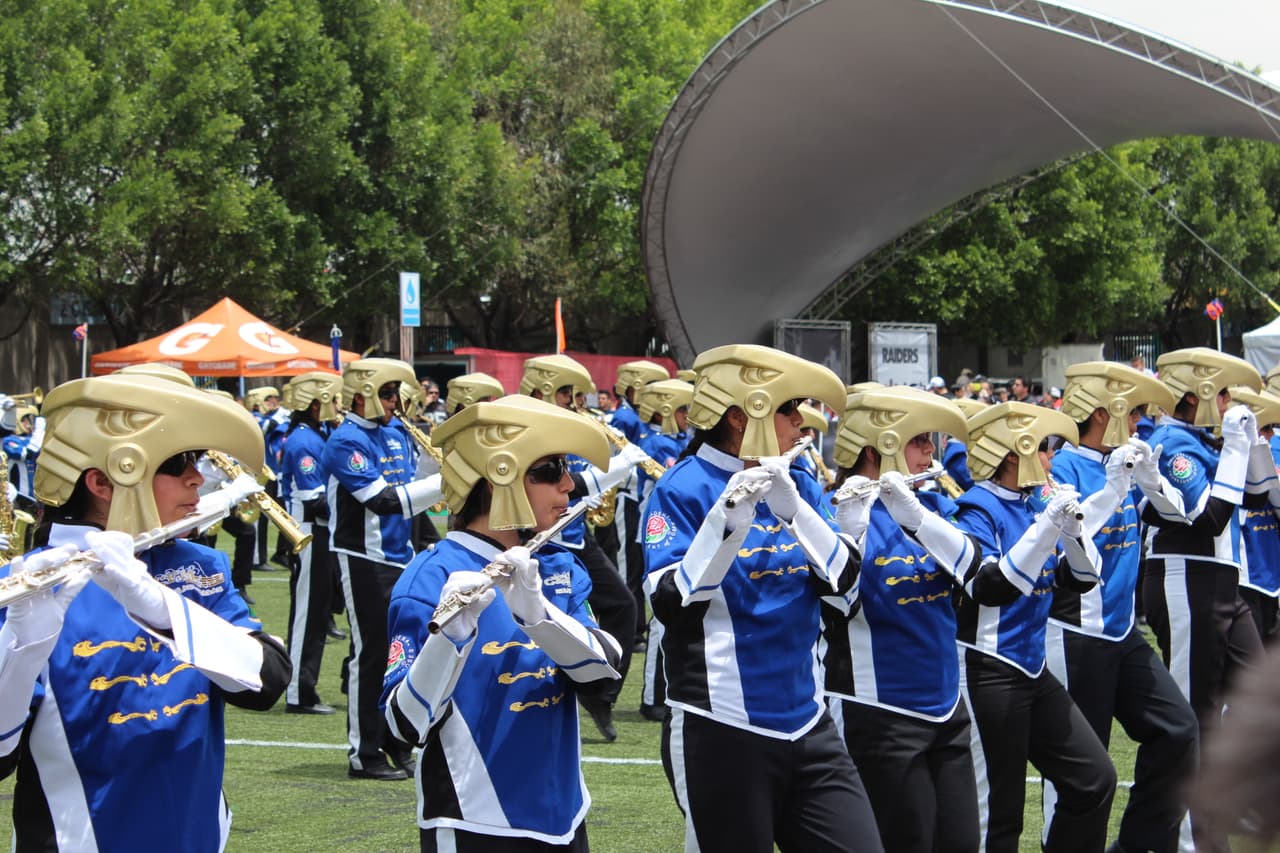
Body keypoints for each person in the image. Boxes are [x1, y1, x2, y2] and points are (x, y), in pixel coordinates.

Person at [0, 373, 289, 851]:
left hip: (196, 835)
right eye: (177, 463)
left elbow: (267, 682)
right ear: (103, 481)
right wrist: (22, 647)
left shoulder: (198, 564)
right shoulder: (28, 585)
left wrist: (161, 607)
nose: (198, 477)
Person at [641, 344, 882, 852]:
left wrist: (794, 508)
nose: (802, 423)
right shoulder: (681, 488)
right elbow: (673, 606)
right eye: (787, 409)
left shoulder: (799, 483)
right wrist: (726, 525)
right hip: (720, 722)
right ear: (739, 415)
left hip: (807, 719)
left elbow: (846, 592)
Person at [382, 396, 622, 850]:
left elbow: (603, 675)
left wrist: (539, 617)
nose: (569, 485)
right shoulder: (427, 579)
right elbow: (401, 728)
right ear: (500, 479)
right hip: (474, 823)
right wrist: (447, 638)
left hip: (566, 813)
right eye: (550, 471)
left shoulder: (557, 567)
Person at [820, 385, 982, 853]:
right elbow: (836, 602)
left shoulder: (933, 506)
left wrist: (915, 518)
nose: (930, 451)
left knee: (961, 842)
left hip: (948, 704)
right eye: (919, 440)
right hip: (880, 709)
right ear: (879, 447)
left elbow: (977, 573)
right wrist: (855, 529)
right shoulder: (839, 515)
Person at [1047, 361, 1199, 853]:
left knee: (1178, 732)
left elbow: (1184, 514)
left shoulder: (1128, 460)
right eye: (1131, 413)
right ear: (1102, 413)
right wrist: (1113, 489)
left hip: (1120, 633)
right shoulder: (1061, 466)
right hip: (1075, 633)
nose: (1137, 424)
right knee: (1081, 777)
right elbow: (1065, 537)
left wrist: (1150, 478)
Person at [953, 401, 1116, 853]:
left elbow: (1079, 580)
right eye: (1045, 449)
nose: (1051, 460)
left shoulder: (1033, 503)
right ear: (1014, 452)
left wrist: (1072, 530)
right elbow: (993, 587)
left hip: (1032, 668)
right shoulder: (975, 508)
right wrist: (1047, 526)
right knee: (999, 815)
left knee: (1094, 778)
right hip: (988, 669)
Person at [1143, 348, 1265, 850]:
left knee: (1260, 698)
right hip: (1185, 583)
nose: (1229, 403)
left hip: (1220, 583)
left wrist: (1251, 443)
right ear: (1195, 397)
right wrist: (1235, 445)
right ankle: (1189, 843)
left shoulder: (1202, 441)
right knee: (1193, 720)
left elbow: (1257, 496)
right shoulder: (1171, 442)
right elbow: (1208, 515)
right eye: (1222, 393)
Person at [321, 358, 446, 780]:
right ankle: (365, 753)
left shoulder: (396, 432)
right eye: (388, 394)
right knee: (371, 654)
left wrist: (435, 467)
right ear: (364, 393)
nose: (396, 403)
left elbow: (412, 486)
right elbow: (383, 500)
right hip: (362, 559)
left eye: (398, 394)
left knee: (404, 652)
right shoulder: (345, 440)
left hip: (400, 556)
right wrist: (445, 483)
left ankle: (397, 740)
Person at [519, 354, 644, 741]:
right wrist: (619, 468)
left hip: (574, 534)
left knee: (624, 604)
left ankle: (601, 695)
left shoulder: (565, 423)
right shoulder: (525, 426)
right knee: (543, 625)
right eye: (566, 392)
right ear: (541, 390)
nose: (573, 401)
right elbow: (560, 479)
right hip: (540, 540)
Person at [278, 371, 343, 715]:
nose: (337, 406)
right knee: (308, 614)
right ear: (315, 404)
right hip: (309, 533)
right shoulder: (305, 441)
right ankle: (298, 692)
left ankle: (304, 687)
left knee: (319, 613)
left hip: (322, 532)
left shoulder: (316, 436)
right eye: (332, 400)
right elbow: (313, 498)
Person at [631, 378, 695, 723]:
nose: (688, 417)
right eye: (684, 409)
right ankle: (652, 696)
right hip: (658, 529)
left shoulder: (684, 441)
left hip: (682, 528)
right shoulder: (654, 442)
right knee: (660, 619)